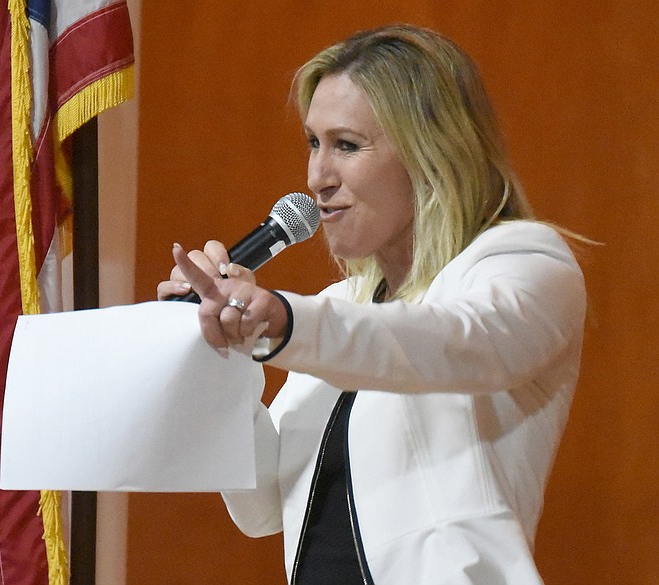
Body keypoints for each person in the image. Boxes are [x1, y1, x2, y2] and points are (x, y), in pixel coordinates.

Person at [158, 24, 586, 584]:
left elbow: (451, 342)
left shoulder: (527, 263)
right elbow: (262, 506)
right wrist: (220, 349)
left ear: (431, 151)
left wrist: (282, 321)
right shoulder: (342, 306)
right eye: (313, 143)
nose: (317, 177)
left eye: (346, 145)